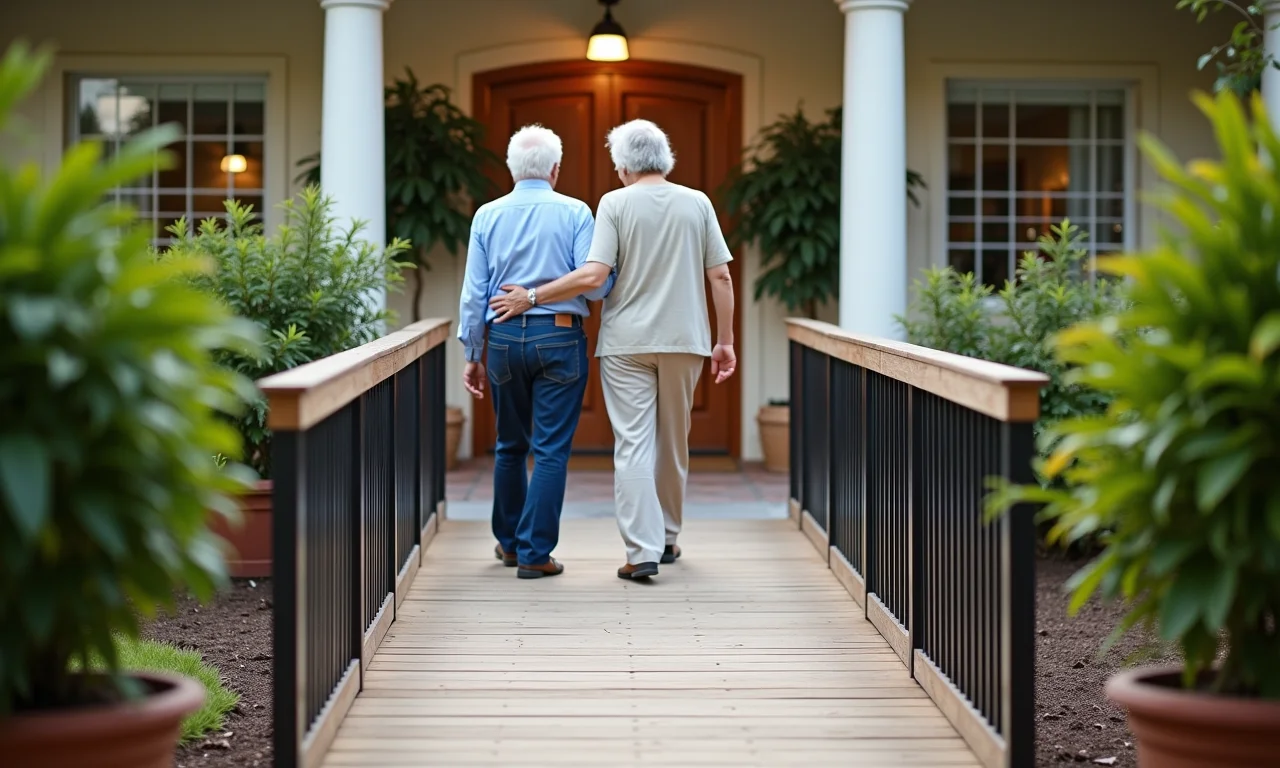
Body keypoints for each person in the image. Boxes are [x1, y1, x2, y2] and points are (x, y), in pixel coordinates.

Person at [489, 119, 736, 581]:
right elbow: (720, 276)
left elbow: (594, 275)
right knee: (673, 441)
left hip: (626, 344)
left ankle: (640, 550)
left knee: (633, 445)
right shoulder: (698, 202)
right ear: (665, 160)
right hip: (686, 340)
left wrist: (533, 296)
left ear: (622, 165)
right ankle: (666, 537)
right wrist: (725, 339)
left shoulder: (614, 203)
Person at [456, 124, 613, 580]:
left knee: (509, 445)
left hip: (502, 339)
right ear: (556, 169)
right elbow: (597, 282)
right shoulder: (577, 212)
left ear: (511, 168)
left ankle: (509, 544)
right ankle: (534, 553)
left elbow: (474, 292)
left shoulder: (486, 215)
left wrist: (472, 350)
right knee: (549, 451)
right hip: (560, 337)